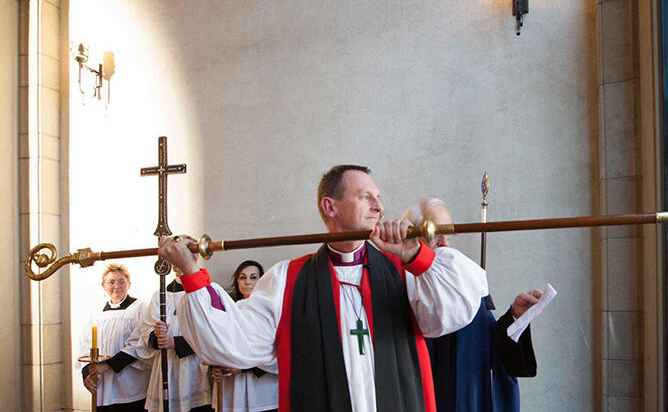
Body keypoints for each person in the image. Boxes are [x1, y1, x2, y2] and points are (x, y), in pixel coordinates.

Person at [159, 164, 488, 412]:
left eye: (379, 199)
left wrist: (415, 255)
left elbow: (454, 313)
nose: (379, 207)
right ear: (330, 207)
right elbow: (230, 342)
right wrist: (191, 271)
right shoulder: (288, 278)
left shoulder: (402, 270)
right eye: (366, 197)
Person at [402, 198, 540, 412]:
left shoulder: (465, 279)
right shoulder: (395, 279)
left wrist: (514, 317)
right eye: (435, 235)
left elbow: (490, 340)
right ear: (410, 234)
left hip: (468, 397)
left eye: (448, 237)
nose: (445, 244)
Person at [138, 257, 213, 412]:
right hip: (166, 365)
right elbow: (146, 329)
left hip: (194, 366)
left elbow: (211, 331)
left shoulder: (205, 290)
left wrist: (176, 343)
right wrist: (157, 335)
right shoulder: (161, 294)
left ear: (195, 257)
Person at [79, 263, 150, 412]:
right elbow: (85, 345)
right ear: (103, 286)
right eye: (111, 282)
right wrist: (87, 374)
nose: (116, 286)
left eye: (121, 281)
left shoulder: (140, 308)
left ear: (129, 284)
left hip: (130, 387)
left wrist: (107, 366)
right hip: (102, 387)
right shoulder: (96, 312)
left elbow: (139, 343)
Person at [210, 260, 278, 412]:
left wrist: (243, 368)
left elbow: (277, 350)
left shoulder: (271, 310)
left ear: (262, 281)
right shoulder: (226, 310)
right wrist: (215, 366)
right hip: (231, 386)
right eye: (242, 277)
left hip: (261, 387)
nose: (247, 282)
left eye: (253, 277)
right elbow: (216, 342)